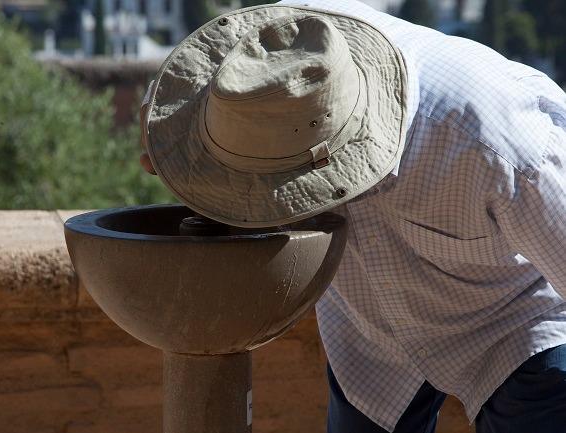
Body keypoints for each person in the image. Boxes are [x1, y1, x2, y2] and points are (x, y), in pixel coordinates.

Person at [138, 1, 566, 432]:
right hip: (369, 329)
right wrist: (175, 148)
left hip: (515, 324)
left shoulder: (495, 145)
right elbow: (176, 92)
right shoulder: (260, 69)